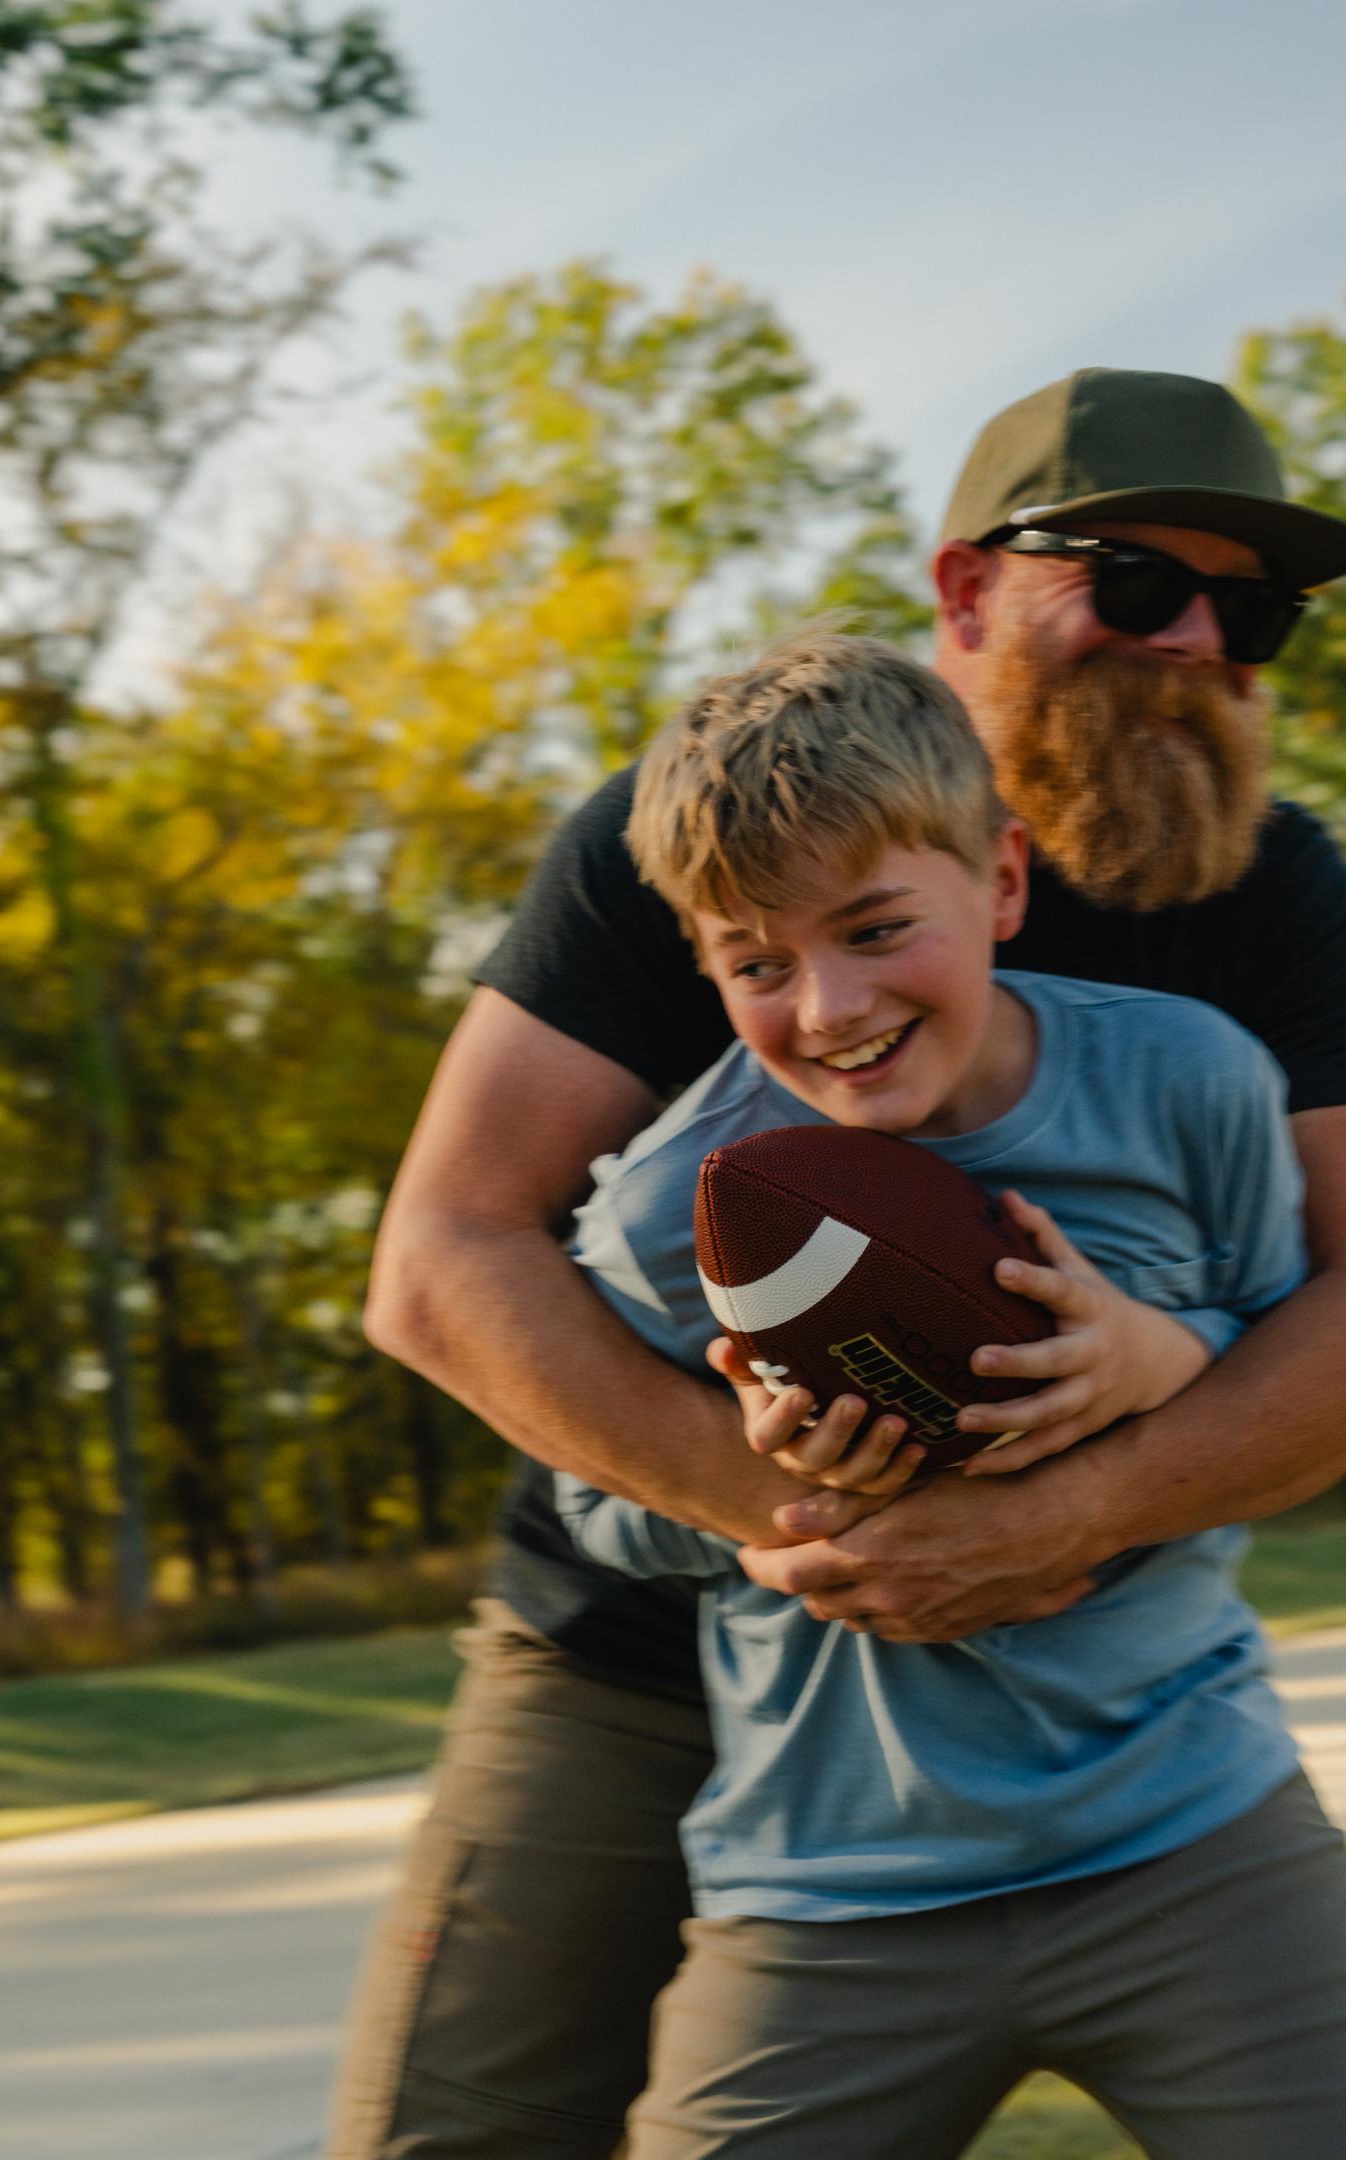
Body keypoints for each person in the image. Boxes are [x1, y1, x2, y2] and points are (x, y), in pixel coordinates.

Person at [325, 369, 1346, 2160]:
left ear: (1001, 889)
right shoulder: (711, 837)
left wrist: (1054, 1520)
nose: (1193, 641)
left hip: (1097, 1704)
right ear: (969, 595)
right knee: (457, 2136)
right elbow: (443, 1254)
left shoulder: (1272, 908)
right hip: (632, 1637)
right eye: (1129, 585)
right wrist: (831, 1527)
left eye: (1246, 609)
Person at [553, 625, 1345, 2158]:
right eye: (759, 964)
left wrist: (1151, 1359)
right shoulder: (675, 1213)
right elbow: (599, 1504)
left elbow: (1290, 1355)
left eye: (873, 928)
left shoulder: (1191, 1081)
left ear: (999, 879)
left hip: (1191, 1826)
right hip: (829, 1883)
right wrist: (757, 1487)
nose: (831, 1007)